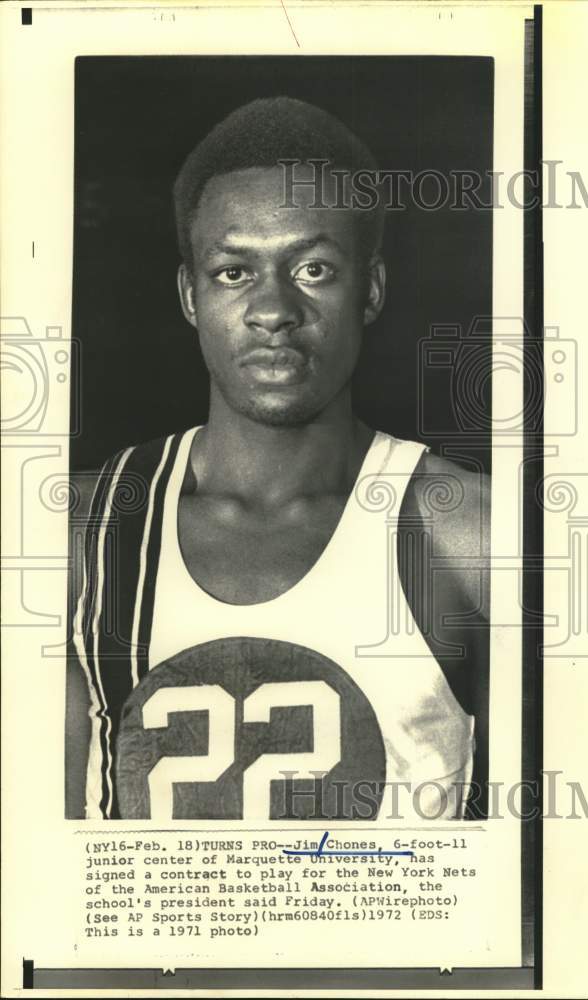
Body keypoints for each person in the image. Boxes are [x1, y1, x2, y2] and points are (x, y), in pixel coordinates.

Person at [66, 97, 490, 821]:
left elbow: (548, 875)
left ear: (371, 290)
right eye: (234, 271)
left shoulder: (472, 532)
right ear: (189, 296)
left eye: (314, 268)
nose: (273, 310)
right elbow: (40, 866)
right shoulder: (78, 532)